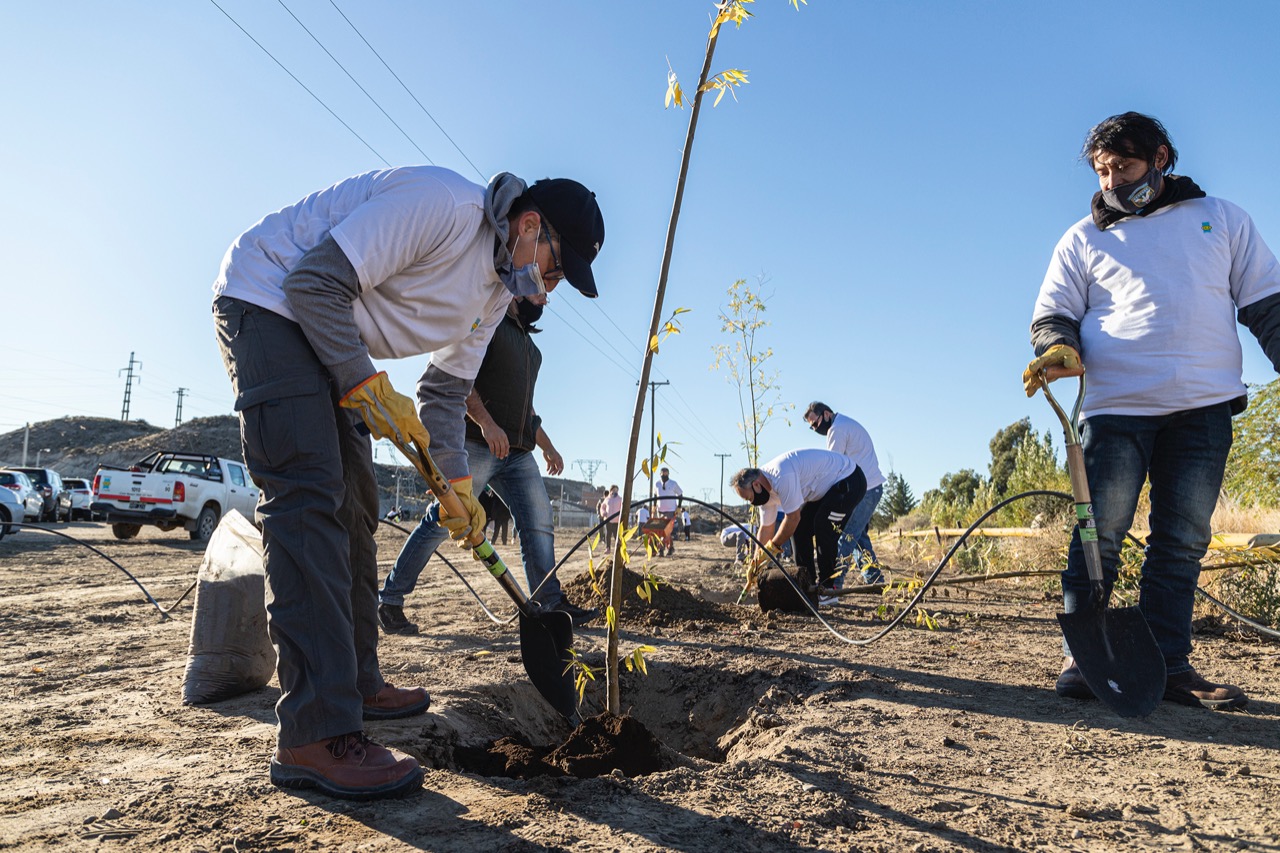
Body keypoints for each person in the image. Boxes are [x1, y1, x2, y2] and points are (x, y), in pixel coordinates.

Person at [212, 165, 605, 799]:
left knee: (359, 507)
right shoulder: (442, 206)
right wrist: (365, 382)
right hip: (270, 299)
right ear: (530, 226)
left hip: (321, 327)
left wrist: (457, 485)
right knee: (311, 500)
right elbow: (314, 284)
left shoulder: (495, 295)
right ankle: (315, 733)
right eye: (556, 270)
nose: (550, 289)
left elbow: (445, 394)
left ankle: (357, 680)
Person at [1027, 111, 1280, 711]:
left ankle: (1169, 664)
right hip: (1114, 409)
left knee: (1183, 539)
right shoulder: (1083, 238)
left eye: (1126, 166)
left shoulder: (1221, 220)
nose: (1112, 181)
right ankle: (1084, 657)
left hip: (1202, 408)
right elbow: (1052, 313)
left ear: (1162, 159)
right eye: (1103, 170)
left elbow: (1268, 304)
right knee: (1100, 532)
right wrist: (1056, 345)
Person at [378, 298, 600, 632]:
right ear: (517, 290)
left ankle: (550, 603)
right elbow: (457, 379)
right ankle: (390, 600)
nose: (544, 299)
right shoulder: (489, 321)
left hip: (518, 452)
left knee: (539, 522)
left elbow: (525, 410)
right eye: (540, 291)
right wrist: (486, 422)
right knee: (443, 520)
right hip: (475, 445)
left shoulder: (528, 345)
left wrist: (547, 446)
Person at [730, 449, 866, 595]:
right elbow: (766, 528)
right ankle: (807, 585)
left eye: (749, 498)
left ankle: (828, 589)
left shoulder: (781, 475)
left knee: (824, 527)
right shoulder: (765, 493)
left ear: (756, 485)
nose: (752, 503)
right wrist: (757, 562)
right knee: (800, 529)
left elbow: (792, 518)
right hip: (826, 490)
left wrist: (772, 549)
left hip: (849, 479)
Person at [803, 402, 887, 586]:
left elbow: (831, 468)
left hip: (866, 490)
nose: (816, 429)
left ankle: (833, 583)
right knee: (857, 537)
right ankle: (874, 580)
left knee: (845, 536)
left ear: (826, 414)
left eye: (815, 424)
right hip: (870, 488)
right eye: (812, 428)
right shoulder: (844, 424)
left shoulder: (837, 430)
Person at [654, 467, 682, 555]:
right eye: (662, 474)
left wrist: (679, 507)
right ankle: (667, 548)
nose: (664, 476)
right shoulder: (657, 484)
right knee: (661, 530)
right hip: (660, 510)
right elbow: (655, 495)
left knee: (667, 530)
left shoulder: (673, 484)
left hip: (671, 510)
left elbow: (680, 494)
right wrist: (654, 506)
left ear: (668, 474)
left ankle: (664, 548)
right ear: (660, 474)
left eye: (666, 474)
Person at [598, 484, 622, 550]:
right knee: (608, 534)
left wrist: (621, 516)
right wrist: (603, 513)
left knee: (616, 535)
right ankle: (608, 547)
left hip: (616, 520)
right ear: (610, 490)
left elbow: (622, 508)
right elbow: (602, 507)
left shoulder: (620, 499)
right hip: (608, 520)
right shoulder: (607, 499)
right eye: (614, 490)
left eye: (616, 490)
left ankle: (619, 547)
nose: (615, 491)